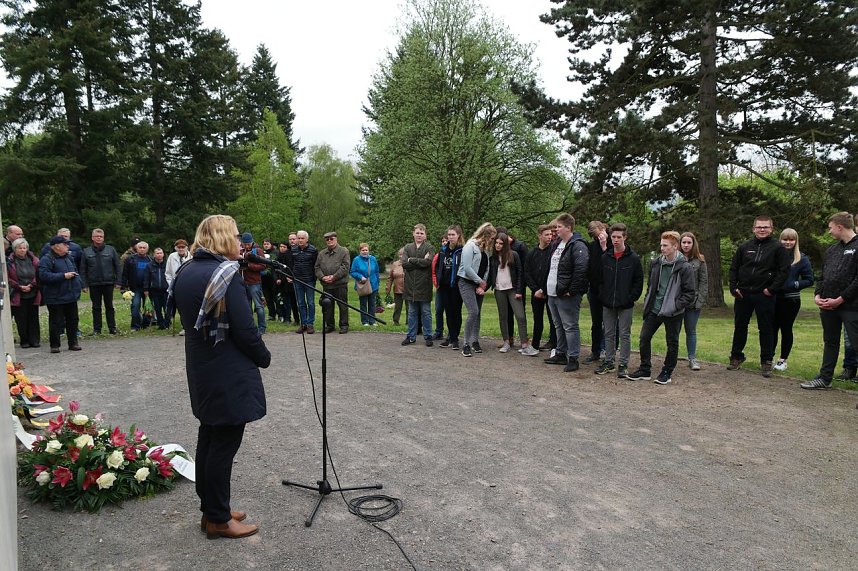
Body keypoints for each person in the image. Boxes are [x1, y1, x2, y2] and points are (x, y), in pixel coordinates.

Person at [172, 214, 270, 539]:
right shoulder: (227, 275)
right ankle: (217, 518)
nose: (240, 241)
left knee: (210, 438)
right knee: (223, 444)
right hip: (226, 371)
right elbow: (245, 329)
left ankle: (213, 509)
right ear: (223, 237)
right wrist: (263, 356)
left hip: (202, 368)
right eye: (236, 235)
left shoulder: (186, 270)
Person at [625, 231, 695, 385]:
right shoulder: (656, 263)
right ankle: (645, 369)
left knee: (672, 342)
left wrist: (675, 306)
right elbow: (651, 285)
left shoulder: (685, 267)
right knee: (644, 338)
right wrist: (648, 301)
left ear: (675, 246)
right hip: (654, 309)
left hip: (673, 312)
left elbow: (690, 294)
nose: (661, 248)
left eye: (665, 245)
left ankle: (666, 372)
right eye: (661, 245)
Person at [727, 215, 791, 377]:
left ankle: (766, 361)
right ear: (753, 228)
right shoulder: (744, 247)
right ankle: (736, 356)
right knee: (740, 326)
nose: (762, 230)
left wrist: (771, 289)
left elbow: (783, 272)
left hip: (765, 295)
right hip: (743, 294)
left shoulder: (778, 248)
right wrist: (734, 288)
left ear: (771, 229)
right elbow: (734, 268)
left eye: (765, 227)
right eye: (759, 227)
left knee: (766, 328)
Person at [801, 212, 858, 390]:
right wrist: (818, 295)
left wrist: (841, 299)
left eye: (830, 228)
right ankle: (824, 378)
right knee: (830, 341)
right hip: (828, 306)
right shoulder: (832, 250)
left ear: (840, 227)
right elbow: (823, 275)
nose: (829, 231)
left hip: (851, 306)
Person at [595, 223, 643, 378]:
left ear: (625, 237)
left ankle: (623, 364)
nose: (615, 240)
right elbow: (599, 280)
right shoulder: (605, 257)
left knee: (624, 334)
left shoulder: (634, 259)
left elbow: (638, 282)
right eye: (613, 237)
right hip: (608, 303)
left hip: (625, 304)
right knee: (608, 333)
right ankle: (608, 361)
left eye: (618, 237)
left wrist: (630, 298)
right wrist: (603, 296)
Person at [543, 214, 589, 372]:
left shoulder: (578, 245)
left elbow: (581, 270)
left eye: (559, 227)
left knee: (570, 326)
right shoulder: (557, 244)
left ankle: (574, 357)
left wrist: (572, 290)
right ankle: (561, 353)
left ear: (568, 227)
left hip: (566, 294)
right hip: (552, 293)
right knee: (558, 325)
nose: (556, 229)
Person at [488, 232, 538, 356]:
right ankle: (506, 342)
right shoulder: (492, 258)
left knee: (520, 316)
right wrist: (482, 286)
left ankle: (525, 344)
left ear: (505, 245)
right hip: (499, 290)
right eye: (496, 243)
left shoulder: (513, 255)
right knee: (503, 316)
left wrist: (519, 290)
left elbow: (520, 273)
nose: (498, 246)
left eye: (501, 243)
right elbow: (490, 275)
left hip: (512, 289)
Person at [772, 228, 814, 371]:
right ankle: (768, 357)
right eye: (785, 239)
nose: (788, 242)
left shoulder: (801, 258)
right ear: (780, 240)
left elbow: (809, 280)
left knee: (786, 329)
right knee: (771, 329)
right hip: (773, 298)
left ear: (795, 241)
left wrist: (794, 284)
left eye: (791, 239)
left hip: (791, 300)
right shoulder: (773, 255)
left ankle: (783, 360)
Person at [38, 235, 82, 353]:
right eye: (65, 244)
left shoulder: (69, 258)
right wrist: (63, 276)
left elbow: (75, 271)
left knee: (73, 320)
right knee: (56, 321)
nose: (68, 246)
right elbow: (43, 276)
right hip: (55, 296)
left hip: (70, 295)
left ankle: (73, 343)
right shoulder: (46, 259)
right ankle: (55, 345)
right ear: (56, 246)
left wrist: (78, 283)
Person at [457, 223, 495, 357]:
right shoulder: (470, 246)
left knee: (478, 313)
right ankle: (466, 344)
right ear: (485, 236)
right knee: (473, 311)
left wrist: (481, 286)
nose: (492, 241)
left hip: (479, 284)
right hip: (466, 282)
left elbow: (486, 268)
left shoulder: (485, 250)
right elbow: (467, 268)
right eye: (491, 238)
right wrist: (480, 281)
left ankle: (475, 340)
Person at [80, 228, 121, 335]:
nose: (99, 238)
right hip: (94, 284)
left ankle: (112, 328)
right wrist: (84, 284)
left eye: (101, 236)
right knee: (96, 307)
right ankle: (97, 329)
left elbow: (117, 266)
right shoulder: (86, 251)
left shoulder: (110, 250)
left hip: (108, 282)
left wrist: (118, 281)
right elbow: (83, 269)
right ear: (92, 238)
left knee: (109, 306)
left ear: (103, 238)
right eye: (96, 236)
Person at [401, 223, 435, 346]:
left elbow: (428, 262)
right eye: (417, 233)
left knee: (426, 312)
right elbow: (404, 263)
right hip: (410, 287)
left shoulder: (429, 247)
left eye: (422, 233)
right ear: (413, 233)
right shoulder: (407, 247)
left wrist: (412, 260)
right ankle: (411, 336)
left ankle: (428, 336)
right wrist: (418, 261)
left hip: (424, 286)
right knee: (411, 313)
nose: (419, 235)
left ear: (425, 235)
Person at [679, 231, 709, 371]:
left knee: (690, 331)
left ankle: (692, 358)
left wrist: (699, 301)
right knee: (673, 331)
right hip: (677, 302)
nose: (686, 245)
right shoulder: (675, 258)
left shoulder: (700, 260)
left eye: (688, 242)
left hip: (693, 302)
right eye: (683, 242)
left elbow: (704, 282)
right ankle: (671, 357)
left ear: (693, 244)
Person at [524, 224, 556, 352]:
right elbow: (527, 272)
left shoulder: (553, 251)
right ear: (539, 236)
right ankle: (535, 344)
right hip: (536, 293)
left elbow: (552, 272)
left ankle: (555, 345)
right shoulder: (532, 253)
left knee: (553, 320)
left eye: (550, 235)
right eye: (546, 235)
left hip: (549, 291)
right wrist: (535, 289)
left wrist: (543, 289)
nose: (549, 237)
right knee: (537, 319)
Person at [7, 238, 41, 348]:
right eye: (19, 248)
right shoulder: (10, 261)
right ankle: (24, 340)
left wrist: (31, 285)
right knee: (21, 319)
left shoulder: (34, 260)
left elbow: (38, 274)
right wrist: (19, 286)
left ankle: (35, 340)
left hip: (33, 292)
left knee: (33, 318)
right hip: (17, 293)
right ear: (14, 249)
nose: (22, 250)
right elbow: (7, 277)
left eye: (24, 248)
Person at [434, 226, 464, 349]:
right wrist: (438, 280)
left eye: (453, 235)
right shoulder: (443, 250)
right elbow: (438, 266)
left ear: (458, 236)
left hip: (456, 286)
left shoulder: (462, 251)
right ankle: (451, 337)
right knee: (448, 312)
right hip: (444, 286)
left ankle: (455, 338)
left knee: (456, 312)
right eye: (449, 235)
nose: (450, 237)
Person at [315, 231, 351, 334]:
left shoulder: (344, 251)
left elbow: (345, 267)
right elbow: (316, 267)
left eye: (332, 239)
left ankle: (344, 325)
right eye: (327, 239)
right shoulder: (321, 253)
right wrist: (322, 277)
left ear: (336, 239)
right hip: (326, 285)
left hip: (340, 284)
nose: (329, 241)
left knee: (342, 305)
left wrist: (334, 277)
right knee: (328, 306)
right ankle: (329, 325)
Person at [584, 221, 609, 363]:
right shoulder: (591, 246)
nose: (597, 238)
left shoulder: (612, 244)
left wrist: (605, 245)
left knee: (609, 323)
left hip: (607, 290)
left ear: (603, 229)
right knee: (596, 323)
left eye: (597, 234)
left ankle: (607, 350)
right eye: (593, 236)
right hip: (593, 289)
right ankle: (595, 351)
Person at [238, 233, 268, 335]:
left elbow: (263, 266)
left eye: (248, 244)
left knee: (259, 306)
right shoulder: (240, 251)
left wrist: (249, 266)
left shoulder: (258, 251)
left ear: (252, 242)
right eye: (244, 244)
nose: (246, 246)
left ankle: (262, 327)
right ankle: (250, 327)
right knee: (247, 307)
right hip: (242, 282)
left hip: (254, 282)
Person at [121, 241, 151, 331]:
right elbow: (125, 274)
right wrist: (124, 287)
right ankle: (135, 326)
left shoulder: (151, 260)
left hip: (148, 288)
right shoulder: (130, 259)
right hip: (135, 288)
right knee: (135, 306)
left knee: (148, 307)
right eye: (140, 247)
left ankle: (145, 324)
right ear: (136, 248)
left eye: (144, 248)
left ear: (147, 249)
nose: (142, 249)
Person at [291, 230, 318, 334]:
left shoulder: (313, 250)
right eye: (299, 238)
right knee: (301, 303)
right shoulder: (293, 250)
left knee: (310, 302)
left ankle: (310, 324)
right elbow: (291, 264)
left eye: (302, 238)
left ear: (307, 239)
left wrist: (314, 277)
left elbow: (316, 265)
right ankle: (303, 323)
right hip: (297, 280)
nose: (300, 240)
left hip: (309, 280)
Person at [350, 242, 381, 326]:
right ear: (360, 251)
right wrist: (360, 277)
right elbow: (352, 272)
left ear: (369, 250)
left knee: (372, 303)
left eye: (366, 250)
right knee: (363, 304)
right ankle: (365, 321)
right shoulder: (356, 260)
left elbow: (377, 272)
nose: (365, 252)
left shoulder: (373, 259)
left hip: (373, 284)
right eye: (363, 250)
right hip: (362, 285)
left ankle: (372, 321)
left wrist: (378, 283)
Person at [165, 239, 191, 335]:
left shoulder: (191, 256)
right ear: (175, 248)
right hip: (176, 286)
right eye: (178, 247)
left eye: (182, 247)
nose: (181, 249)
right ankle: (184, 326)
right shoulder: (172, 257)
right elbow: (168, 273)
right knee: (180, 307)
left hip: (189, 285)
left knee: (189, 307)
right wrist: (171, 285)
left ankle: (190, 326)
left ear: (186, 247)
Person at [144, 247, 170, 329]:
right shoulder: (149, 266)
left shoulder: (167, 265)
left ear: (163, 254)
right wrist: (146, 289)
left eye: (160, 253)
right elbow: (146, 278)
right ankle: (161, 323)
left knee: (167, 307)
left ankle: (167, 322)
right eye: (157, 253)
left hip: (166, 290)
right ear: (154, 255)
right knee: (157, 308)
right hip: (155, 290)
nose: (159, 255)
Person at [431, 234, 449, 340]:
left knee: (450, 311)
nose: (444, 243)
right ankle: (439, 331)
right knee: (438, 310)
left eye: (446, 241)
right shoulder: (438, 255)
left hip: (450, 288)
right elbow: (434, 271)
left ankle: (451, 333)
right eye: (443, 241)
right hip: (440, 287)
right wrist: (436, 283)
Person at [275, 240, 295, 324]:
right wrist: (276, 278)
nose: (282, 248)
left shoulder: (289, 256)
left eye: (284, 247)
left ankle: (288, 317)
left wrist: (282, 278)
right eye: (281, 247)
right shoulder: (278, 256)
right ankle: (281, 316)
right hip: (278, 282)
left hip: (286, 281)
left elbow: (288, 269)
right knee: (279, 299)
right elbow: (274, 268)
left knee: (287, 300)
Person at [260, 239, 279, 322]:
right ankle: (272, 315)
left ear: (271, 244)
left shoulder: (275, 253)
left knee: (276, 297)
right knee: (268, 298)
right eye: (264, 244)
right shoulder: (261, 253)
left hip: (273, 278)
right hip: (264, 280)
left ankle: (280, 314)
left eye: (267, 244)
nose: (266, 245)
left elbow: (273, 265)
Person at [386, 249, 406, 325]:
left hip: (408, 289)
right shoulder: (395, 264)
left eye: (403, 254)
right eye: (400, 254)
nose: (402, 256)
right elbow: (390, 278)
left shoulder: (410, 263)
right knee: (397, 307)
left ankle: (409, 322)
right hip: (397, 288)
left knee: (409, 307)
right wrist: (388, 287)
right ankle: (396, 321)